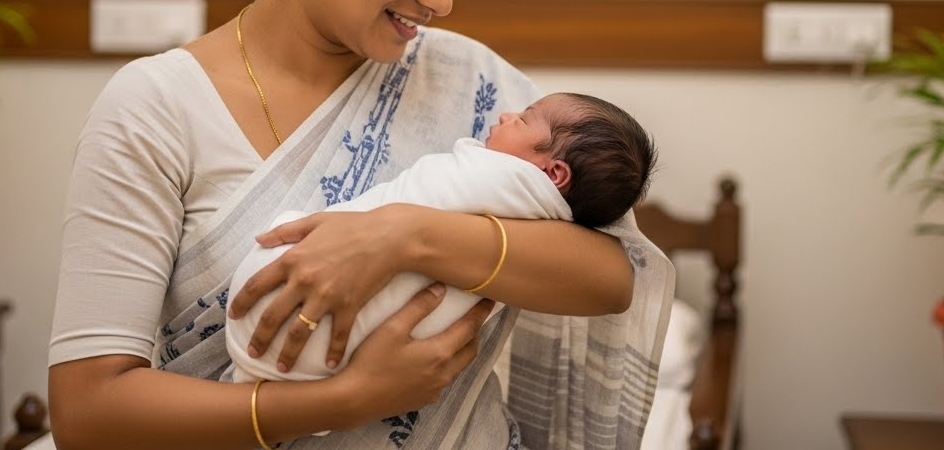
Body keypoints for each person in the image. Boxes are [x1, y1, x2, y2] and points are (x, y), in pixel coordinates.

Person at [47, 0, 673, 450]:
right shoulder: (154, 110)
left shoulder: (472, 81)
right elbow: (90, 411)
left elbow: (612, 279)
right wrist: (347, 399)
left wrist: (403, 236)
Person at [227, 92, 658, 383]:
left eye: (524, 119)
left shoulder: (502, 173)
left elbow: (616, 281)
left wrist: (405, 232)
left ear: (554, 174)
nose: (506, 114)